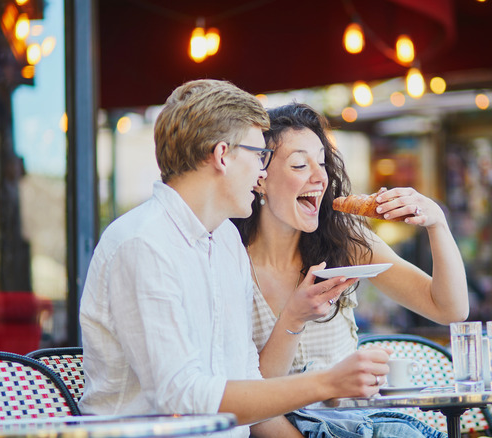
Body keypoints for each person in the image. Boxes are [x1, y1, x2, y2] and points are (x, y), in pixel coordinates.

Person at [78, 80, 392, 438]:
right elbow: (181, 399)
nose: (262, 174)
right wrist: (327, 384)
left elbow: (247, 380)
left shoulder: (225, 240)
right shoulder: (142, 244)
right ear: (222, 155)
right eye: (259, 155)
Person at [232, 102, 469, 436]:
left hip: (356, 425)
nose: (319, 176)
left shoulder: (345, 241)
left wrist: (437, 224)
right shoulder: (230, 264)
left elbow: (450, 309)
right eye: (300, 164)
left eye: (323, 162)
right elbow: (251, 405)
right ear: (260, 179)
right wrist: (293, 317)